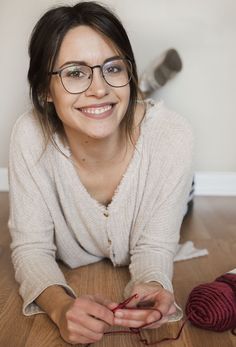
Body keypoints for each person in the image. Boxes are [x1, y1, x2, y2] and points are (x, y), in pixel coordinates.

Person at [8, 1, 193, 345]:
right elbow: (31, 247)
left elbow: (154, 245)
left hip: (163, 163)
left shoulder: (173, 137)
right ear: (44, 91)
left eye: (113, 68)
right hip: (107, 115)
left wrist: (153, 284)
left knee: (107, 108)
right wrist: (60, 307)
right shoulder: (29, 136)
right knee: (104, 107)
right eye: (75, 73)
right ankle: (142, 89)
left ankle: (141, 93)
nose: (98, 86)